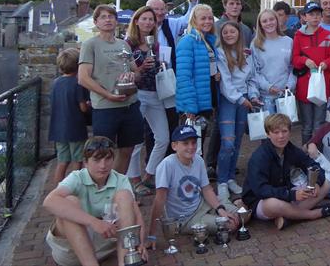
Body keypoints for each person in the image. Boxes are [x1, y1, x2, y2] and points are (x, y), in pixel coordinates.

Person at [43, 136, 147, 266]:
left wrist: (141, 243)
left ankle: (125, 261)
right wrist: (94, 222)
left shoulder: (120, 180)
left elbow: (136, 216)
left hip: (104, 246)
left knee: (125, 196)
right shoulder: (77, 177)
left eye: (108, 159)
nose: (103, 165)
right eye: (97, 160)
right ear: (86, 162)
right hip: (71, 249)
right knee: (69, 201)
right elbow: (49, 201)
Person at [241, 113, 330, 230]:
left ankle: (289, 216)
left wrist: (316, 183)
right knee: (273, 204)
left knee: (326, 184)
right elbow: (261, 190)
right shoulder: (259, 157)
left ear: (290, 132)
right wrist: (291, 195)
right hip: (261, 201)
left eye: (284, 131)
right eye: (276, 132)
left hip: (285, 194)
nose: (281, 136)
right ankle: (312, 214)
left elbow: (313, 165)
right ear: (268, 134)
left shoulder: (290, 148)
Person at [148, 125, 241, 247]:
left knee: (241, 215)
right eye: (185, 143)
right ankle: (212, 221)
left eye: (193, 142)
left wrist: (220, 210)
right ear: (174, 146)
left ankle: (218, 214)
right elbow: (159, 201)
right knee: (231, 225)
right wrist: (151, 235)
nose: (191, 147)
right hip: (185, 219)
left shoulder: (198, 160)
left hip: (202, 204)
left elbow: (206, 188)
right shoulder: (166, 165)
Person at [78, 5, 144, 174]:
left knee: (127, 150)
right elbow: (83, 78)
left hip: (130, 105)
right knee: (103, 154)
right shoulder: (90, 44)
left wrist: (132, 77)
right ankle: (101, 190)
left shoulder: (124, 44)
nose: (108, 20)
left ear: (116, 21)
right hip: (105, 107)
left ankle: (117, 188)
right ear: (96, 22)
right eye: (103, 17)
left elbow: (136, 73)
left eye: (111, 16)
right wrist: (108, 95)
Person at [125, 6, 169, 195]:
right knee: (136, 141)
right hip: (137, 93)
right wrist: (141, 68)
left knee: (163, 138)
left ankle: (148, 176)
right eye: (144, 19)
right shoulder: (128, 44)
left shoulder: (156, 44)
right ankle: (133, 179)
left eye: (151, 19)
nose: (148, 22)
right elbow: (127, 71)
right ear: (136, 21)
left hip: (156, 93)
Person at [146, 0, 198, 153]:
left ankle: (169, 156)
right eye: (156, 9)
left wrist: (193, 2)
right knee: (150, 126)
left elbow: (188, 19)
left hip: (168, 79)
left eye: (163, 9)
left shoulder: (171, 24)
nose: (160, 12)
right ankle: (151, 160)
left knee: (171, 118)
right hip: (148, 82)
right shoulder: (142, 27)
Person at [216, 21, 261, 198]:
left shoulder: (247, 53)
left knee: (236, 143)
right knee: (227, 143)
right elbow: (225, 83)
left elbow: (251, 78)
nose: (228, 35)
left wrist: (253, 95)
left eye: (232, 31)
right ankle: (221, 182)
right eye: (225, 32)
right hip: (230, 100)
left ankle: (230, 179)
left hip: (244, 101)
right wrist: (241, 99)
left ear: (239, 33)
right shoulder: (220, 53)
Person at [175, 4, 219, 158]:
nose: (207, 21)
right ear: (194, 20)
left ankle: (197, 178)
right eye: (203, 18)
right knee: (188, 147)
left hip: (206, 100)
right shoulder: (188, 41)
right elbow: (184, 77)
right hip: (193, 105)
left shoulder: (209, 41)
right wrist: (189, 107)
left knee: (198, 146)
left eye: (210, 18)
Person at [292, 1, 330, 145]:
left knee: (319, 125)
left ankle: (318, 156)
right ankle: (305, 155)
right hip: (304, 87)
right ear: (304, 17)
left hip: (322, 86)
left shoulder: (328, 35)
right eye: (311, 14)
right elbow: (294, 58)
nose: (315, 17)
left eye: (318, 14)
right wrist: (304, 61)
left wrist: (326, 64)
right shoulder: (298, 36)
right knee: (306, 126)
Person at [50, 48, 89, 184]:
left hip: (58, 128)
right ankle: (74, 187)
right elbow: (83, 107)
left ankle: (58, 189)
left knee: (62, 160)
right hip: (75, 127)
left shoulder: (56, 83)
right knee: (78, 160)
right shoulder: (78, 83)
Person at [251, 9, 296, 114]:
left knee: (285, 129)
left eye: (271, 19)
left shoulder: (288, 41)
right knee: (269, 129)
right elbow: (254, 71)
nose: (269, 23)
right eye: (265, 21)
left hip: (285, 95)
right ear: (260, 25)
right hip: (265, 96)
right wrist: (268, 87)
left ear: (276, 20)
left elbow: (293, 67)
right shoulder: (256, 44)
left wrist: (289, 85)